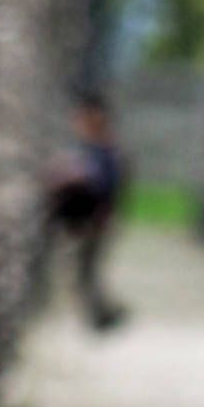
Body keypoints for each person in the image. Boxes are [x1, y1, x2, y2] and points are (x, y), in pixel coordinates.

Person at [44, 94, 130, 331]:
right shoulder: (95, 147)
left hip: (95, 219)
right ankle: (103, 315)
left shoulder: (104, 149)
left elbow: (103, 184)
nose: (78, 122)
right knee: (86, 271)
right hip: (90, 219)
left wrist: (72, 174)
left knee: (86, 270)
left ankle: (104, 315)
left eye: (82, 116)